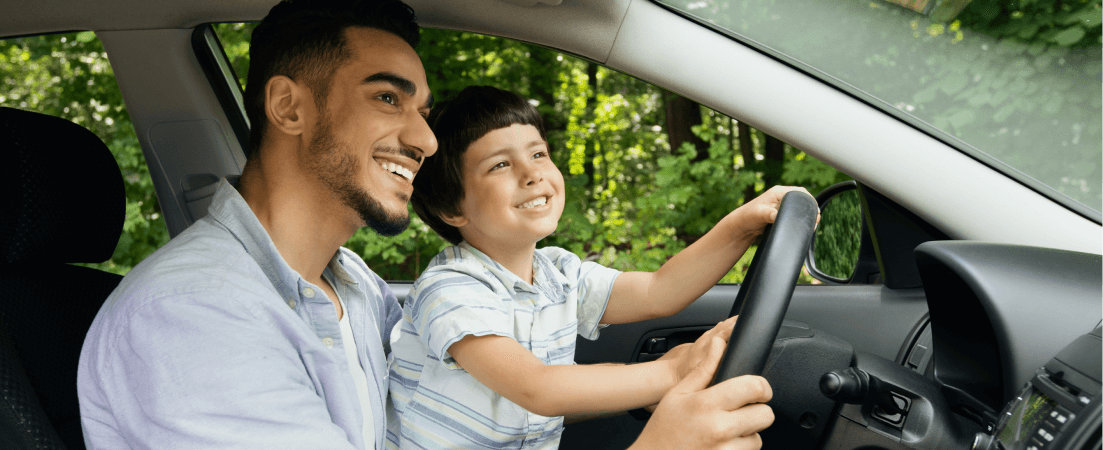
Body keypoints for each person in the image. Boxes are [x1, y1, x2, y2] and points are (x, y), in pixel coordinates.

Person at [76, 1, 774, 449]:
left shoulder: (346, 284)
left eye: (421, 109)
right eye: (388, 98)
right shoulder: (195, 318)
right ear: (289, 108)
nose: (426, 140)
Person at [389, 85, 804, 449]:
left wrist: (740, 228)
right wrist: (672, 369)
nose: (532, 173)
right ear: (452, 208)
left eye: (538, 154)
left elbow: (660, 290)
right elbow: (538, 388)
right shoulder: (449, 289)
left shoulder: (559, 273)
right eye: (500, 164)